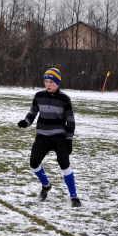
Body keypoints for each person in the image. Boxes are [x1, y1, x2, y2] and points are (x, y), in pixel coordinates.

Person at [17, 68, 81, 207]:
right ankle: (46, 185)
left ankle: (74, 196)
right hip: (42, 136)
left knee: (65, 164)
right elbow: (32, 114)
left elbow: (71, 121)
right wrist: (25, 122)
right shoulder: (39, 96)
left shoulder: (65, 99)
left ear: (57, 83)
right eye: (46, 81)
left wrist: (69, 140)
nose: (48, 84)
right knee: (34, 163)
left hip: (59, 137)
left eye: (51, 81)